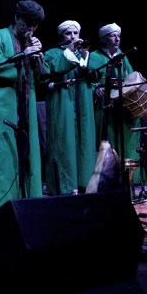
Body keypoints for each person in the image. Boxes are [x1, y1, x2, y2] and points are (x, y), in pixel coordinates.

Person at [0, 0, 46, 215]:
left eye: (35, 25)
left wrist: (38, 58)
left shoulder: (31, 42)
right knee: (3, 157)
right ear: (17, 18)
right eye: (28, 23)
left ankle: (27, 202)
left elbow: (39, 78)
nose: (31, 29)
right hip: (2, 104)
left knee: (27, 155)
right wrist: (23, 55)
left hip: (25, 105)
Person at [43, 20, 96, 195]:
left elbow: (94, 75)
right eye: (68, 34)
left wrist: (85, 55)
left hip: (83, 103)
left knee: (84, 143)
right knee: (63, 142)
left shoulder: (84, 54)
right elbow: (51, 71)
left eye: (75, 33)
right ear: (61, 36)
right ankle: (65, 186)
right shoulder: (51, 53)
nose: (73, 37)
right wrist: (71, 51)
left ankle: (85, 183)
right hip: (62, 102)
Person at [88, 22, 145, 186]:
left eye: (118, 36)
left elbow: (132, 77)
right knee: (107, 142)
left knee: (128, 141)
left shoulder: (123, 56)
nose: (117, 38)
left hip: (123, 106)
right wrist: (95, 88)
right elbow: (88, 80)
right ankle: (108, 181)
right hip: (105, 108)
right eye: (113, 36)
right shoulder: (95, 57)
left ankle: (131, 180)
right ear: (104, 39)